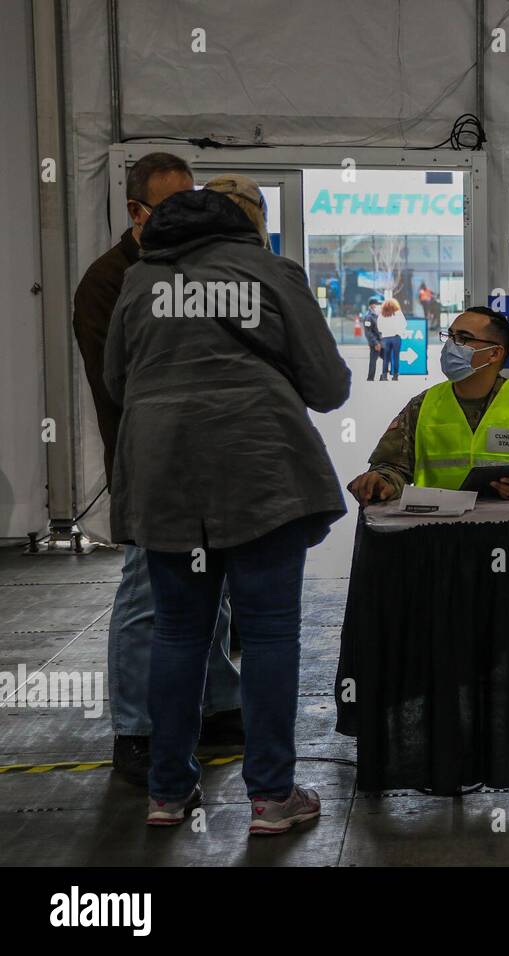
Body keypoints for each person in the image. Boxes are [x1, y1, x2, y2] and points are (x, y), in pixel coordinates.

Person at [103, 174, 352, 834]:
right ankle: (271, 798)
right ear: (247, 225)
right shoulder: (271, 273)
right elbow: (328, 386)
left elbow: (115, 380)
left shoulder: (139, 282)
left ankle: (167, 791)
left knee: (177, 632)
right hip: (259, 471)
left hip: (163, 476)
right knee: (269, 632)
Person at [71, 151, 243, 788]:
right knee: (147, 595)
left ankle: (220, 706)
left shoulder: (191, 269)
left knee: (215, 586)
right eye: (170, 208)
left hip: (210, 458)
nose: (185, 218)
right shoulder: (108, 282)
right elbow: (119, 385)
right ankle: (137, 730)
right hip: (149, 463)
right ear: (135, 211)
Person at [347, 306, 509, 503]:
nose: (451, 345)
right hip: (439, 537)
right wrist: (380, 482)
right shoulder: (422, 406)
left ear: (494, 353)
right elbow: (391, 468)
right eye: (450, 336)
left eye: (463, 338)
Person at [378, 297, 405, 381]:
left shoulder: (382, 314)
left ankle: (384, 375)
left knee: (386, 357)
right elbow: (404, 324)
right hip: (396, 338)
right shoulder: (398, 313)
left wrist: (384, 332)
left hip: (385, 338)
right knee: (396, 357)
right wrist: (399, 331)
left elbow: (379, 326)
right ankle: (395, 375)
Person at [361, 294, 384, 381]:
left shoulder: (377, 315)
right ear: (371, 305)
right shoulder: (368, 317)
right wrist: (376, 343)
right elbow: (368, 332)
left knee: (386, 358)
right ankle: (370, 378)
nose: (377, 306)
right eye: (376, 304)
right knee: (373, 361)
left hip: (381, 342)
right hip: (375, 344)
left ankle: (383, 376)